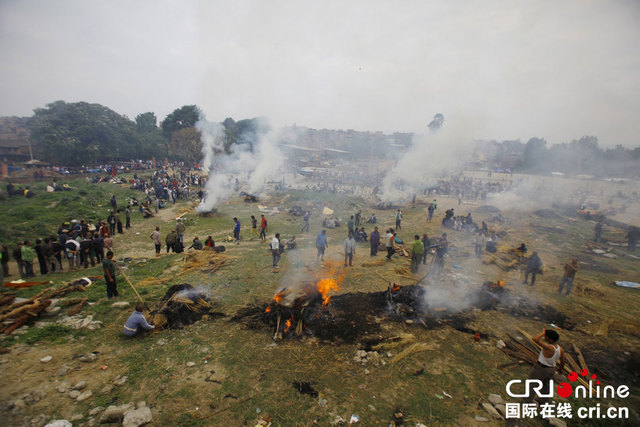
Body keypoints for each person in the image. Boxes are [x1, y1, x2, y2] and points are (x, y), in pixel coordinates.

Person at [529, 329, 565, 401]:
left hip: (541, 368)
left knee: (533, 383)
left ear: (550, 339)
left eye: (546, 336)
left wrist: (543, 333)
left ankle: (528, 399)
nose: (545, 337)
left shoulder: (549, 347)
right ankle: (543, 401)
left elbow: (535, 339)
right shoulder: (560, 349)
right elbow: (563, 361)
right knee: (546, 386)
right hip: (551, 369)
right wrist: (560, 369)